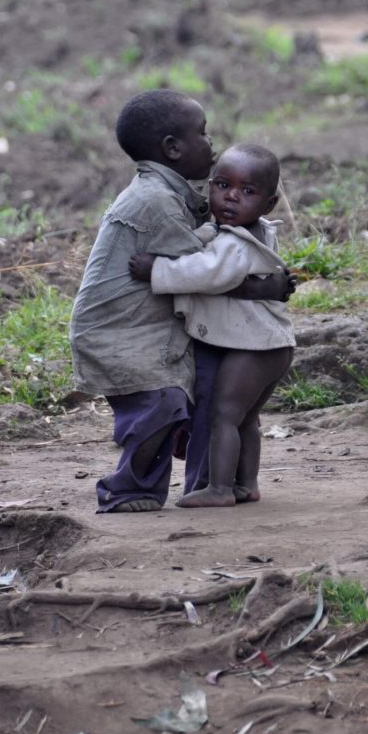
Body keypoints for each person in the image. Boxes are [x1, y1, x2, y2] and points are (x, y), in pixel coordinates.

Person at [69, 90, 295, 513]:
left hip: (159, 325)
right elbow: (205, 272)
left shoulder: (174, 194)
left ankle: (212, 483)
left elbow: (220, 252)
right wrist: (267, 287)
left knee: (209, 392)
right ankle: (128, 489)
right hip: (122, 330)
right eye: (204, 134)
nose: (211, 144)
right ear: (173, 148)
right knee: (162, 405)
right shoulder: (155, 201)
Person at [129, 143, 295, 508]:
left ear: (268, 204)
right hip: (273, 345)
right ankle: (247, 484)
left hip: (254, 347)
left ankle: (219, 488)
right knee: (247, 419)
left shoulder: (235, 245)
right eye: (221, 185)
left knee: (224, 415)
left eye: (247, 192)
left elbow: (204, 272)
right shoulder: (256, 231)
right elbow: (210, 243)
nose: (230, 197)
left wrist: (156, 269)